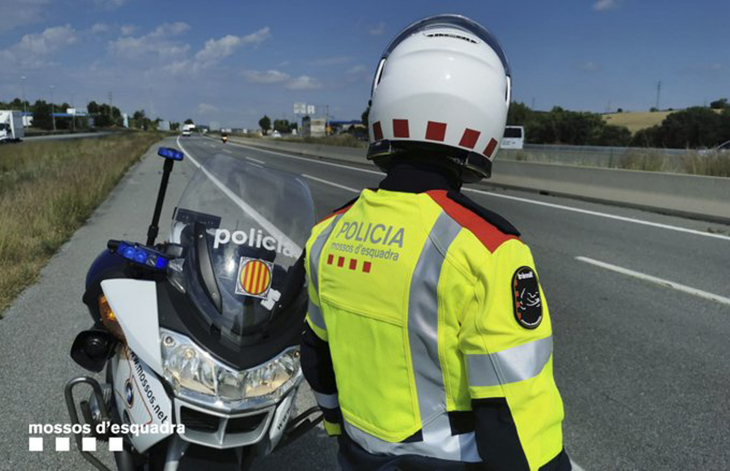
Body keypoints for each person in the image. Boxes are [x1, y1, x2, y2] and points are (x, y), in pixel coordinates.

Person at [301, 14, 570, 471]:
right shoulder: (487, 249)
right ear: (488, 114)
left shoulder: (327, 234)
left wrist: (337, 430)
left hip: (356, 455)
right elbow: (513, 408)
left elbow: (317, 356)